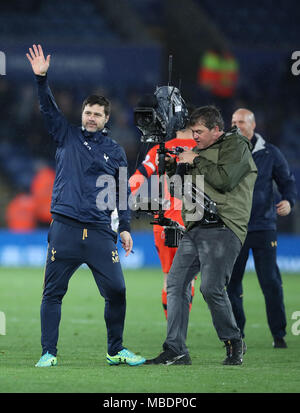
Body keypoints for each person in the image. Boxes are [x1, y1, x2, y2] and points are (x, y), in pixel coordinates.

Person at [26, 44, 145, 367]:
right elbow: (49, 109)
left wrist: (124, 229)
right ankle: (48, 352)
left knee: (117, 291)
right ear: (82, 114)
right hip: (64, 227)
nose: (91, 118)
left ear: (106, 119)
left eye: (97, 114)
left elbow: (122, 195)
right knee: (52, 293)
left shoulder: (116, 151)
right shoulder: (66, 135)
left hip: (98, 231)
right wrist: (41, 80)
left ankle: (115, 350)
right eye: (87, 112)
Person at [146, 105, 257, 366]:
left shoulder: (236, 146)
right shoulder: (198, 152)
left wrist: (193, 159)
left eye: (199, 132)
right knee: (175, 284)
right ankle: (176, 349)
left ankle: (233, 341)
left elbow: (225, 179)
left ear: (216, 130)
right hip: (196, 226)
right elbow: (178, 188)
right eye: (192, 131)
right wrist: (173, 166)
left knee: (210, 287)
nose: (193, 136)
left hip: (225, 225)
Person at [227, 108, 297, 349]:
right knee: (232, 283)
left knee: (270, 282)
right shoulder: (226, 151)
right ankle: (236, 335)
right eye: (233, 121)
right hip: (234, 228)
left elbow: (287, 181)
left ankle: (278, 334)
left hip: (264, 227)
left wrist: (289, 200)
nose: (236, 125)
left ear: (253, 125)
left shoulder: (270, 153)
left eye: (241, 122)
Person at [129, 128, 197, 319]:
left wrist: (123, 198)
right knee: (188, 280)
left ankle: (171, 329)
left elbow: (138, 176)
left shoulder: (162, 149)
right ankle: (179, 332)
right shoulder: (203, 150)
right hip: (192, 224)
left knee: (169, 278)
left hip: (164, 222)